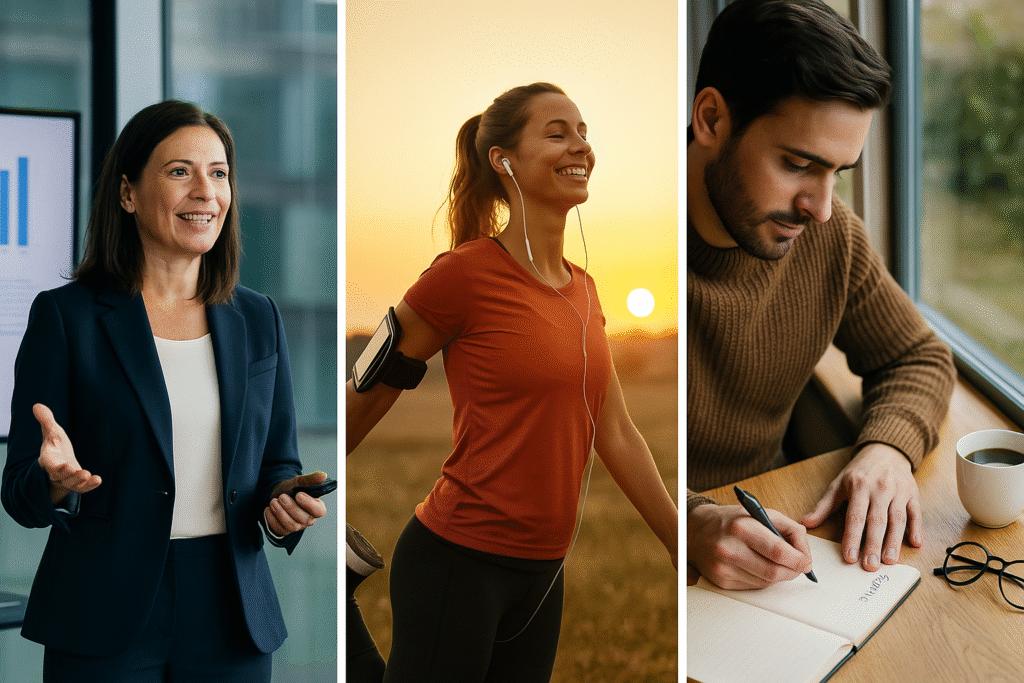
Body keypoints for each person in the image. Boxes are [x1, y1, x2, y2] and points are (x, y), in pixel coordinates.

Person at [347, 82, 678, 683]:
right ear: (504, 161)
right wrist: (298, 480)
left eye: (583, 132)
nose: (580, 146)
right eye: (557, 133)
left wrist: (681, 542)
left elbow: (618, 433)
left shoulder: (586, 289)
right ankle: (336, 603)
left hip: (542, 574)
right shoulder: (460, 276)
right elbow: (369, 389)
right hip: (458, 561)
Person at [1, 100, 330, 682]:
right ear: (127, 193)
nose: (205, 191)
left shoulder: (257, 317)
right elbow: (20, 491)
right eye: (180, 171)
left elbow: (278, 463)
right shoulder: (66, 317)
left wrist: (284, 507)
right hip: (103, 607)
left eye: (219, 173)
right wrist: (51, 482)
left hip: (231, 611)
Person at [686, 0, 956, 590]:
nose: (821, 207)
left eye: (839, 172)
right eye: (797, 164)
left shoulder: (832, 240)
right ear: (711, 119)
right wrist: (690, 524)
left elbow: (919, 357)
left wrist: (887, 451)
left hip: (773, 548)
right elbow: (580, 452)